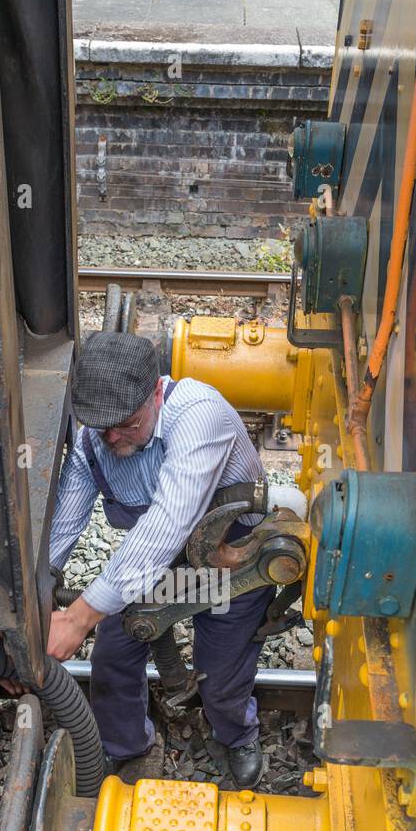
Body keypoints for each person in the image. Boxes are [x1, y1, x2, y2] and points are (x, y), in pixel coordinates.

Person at [47, 331, 272, 788]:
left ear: (156, 391)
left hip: (234, 561)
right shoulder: (95, 440)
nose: (112, 436)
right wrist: (38, 588)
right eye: (101, 424)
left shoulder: (198, 414)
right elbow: (64, 523)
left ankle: (236, 734)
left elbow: (169, 519)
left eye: (126, 422)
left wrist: (77, 617)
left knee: (221, 673)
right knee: (113, 652)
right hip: (155, 564)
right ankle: (125, 745)